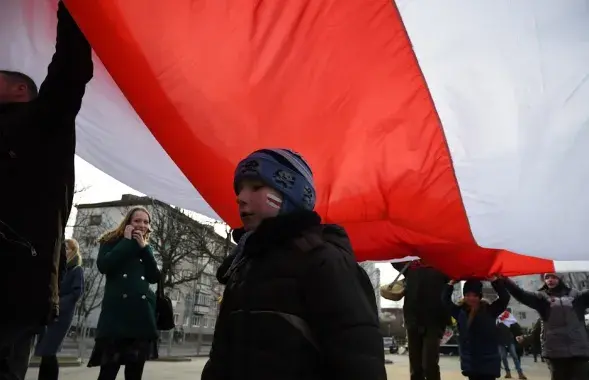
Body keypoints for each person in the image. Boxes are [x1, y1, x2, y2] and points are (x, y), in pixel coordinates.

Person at [202, 148, 386, 380]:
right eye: (240, 190)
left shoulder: (324, 260)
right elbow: (221, 354)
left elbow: (359, 360)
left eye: (256, 187)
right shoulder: (242, 265)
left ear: (291, 195)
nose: (241, 197)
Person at [0, 1, 93, 378]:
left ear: (21, 89)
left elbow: (71, 68)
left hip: (14, 283)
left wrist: (75, 9)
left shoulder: (43, 122)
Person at [88, 207, 161, 380]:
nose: (142, 225)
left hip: (141, 318)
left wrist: (145, 249)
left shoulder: (145, 247)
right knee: (108, 372)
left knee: (134, 374)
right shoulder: (111, 241)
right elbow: (104, 266)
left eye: (146, 222)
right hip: (116, 319)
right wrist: (127, 242)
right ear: (128, 222)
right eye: (137, 221)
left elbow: (154, 277)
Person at [505, 273, 589, 380]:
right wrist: (505, 280)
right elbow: (520, 294)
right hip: (555, 352)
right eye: (547, 277)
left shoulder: (577, 296)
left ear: (561, 278)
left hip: (579, 350)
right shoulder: (541, 298)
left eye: (553, 277)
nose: (550, 280)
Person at [34, 239, 84, 380]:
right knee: (46, 352)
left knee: (49, 350)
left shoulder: (76, 270)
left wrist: (57, 303)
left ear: (73, 251)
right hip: (50, 314)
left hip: (62, 316)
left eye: (67, 249)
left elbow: (77, 293)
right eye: (63, 249)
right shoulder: (59, 269)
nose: (64, 252)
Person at [442, 278, 510, 380]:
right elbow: (445, 300)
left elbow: (505, 298)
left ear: (480, 296)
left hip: (489, 362)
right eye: (468, 295)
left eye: (474, 295)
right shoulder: (460, 312)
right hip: (471, 363)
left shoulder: (490, 310)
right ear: (464, 296)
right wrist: (451, 283)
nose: (471, 298)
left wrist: (494, 281)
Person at [391, 260, 449, 380]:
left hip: (434, 320)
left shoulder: (443, 266)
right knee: (415, 367)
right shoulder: (411, 266)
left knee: (429, 364)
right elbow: (394, 257)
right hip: (413, 319)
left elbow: (459, 268)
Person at [496, 308, 526, 379]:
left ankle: (520, 373)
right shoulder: (497, 318)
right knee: (503, 357)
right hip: (500, 342)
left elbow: (517, 327)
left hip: (510, 341)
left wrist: (520, 335)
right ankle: (508, 373)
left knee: (515, 357)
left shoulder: (509, 317)